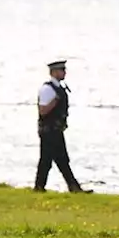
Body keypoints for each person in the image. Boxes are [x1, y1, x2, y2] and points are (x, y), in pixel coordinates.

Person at [35, 60, 92, 193]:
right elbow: (43, 110)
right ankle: (41, 186)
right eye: (62, 70)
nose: (64, 73)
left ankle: (72, 187)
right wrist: (56, 100)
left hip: (56, 129)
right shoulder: (48, 89)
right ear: (54, 72)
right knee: (49, 160)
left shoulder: (59, 88)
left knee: (60, 159)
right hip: (48, 130)